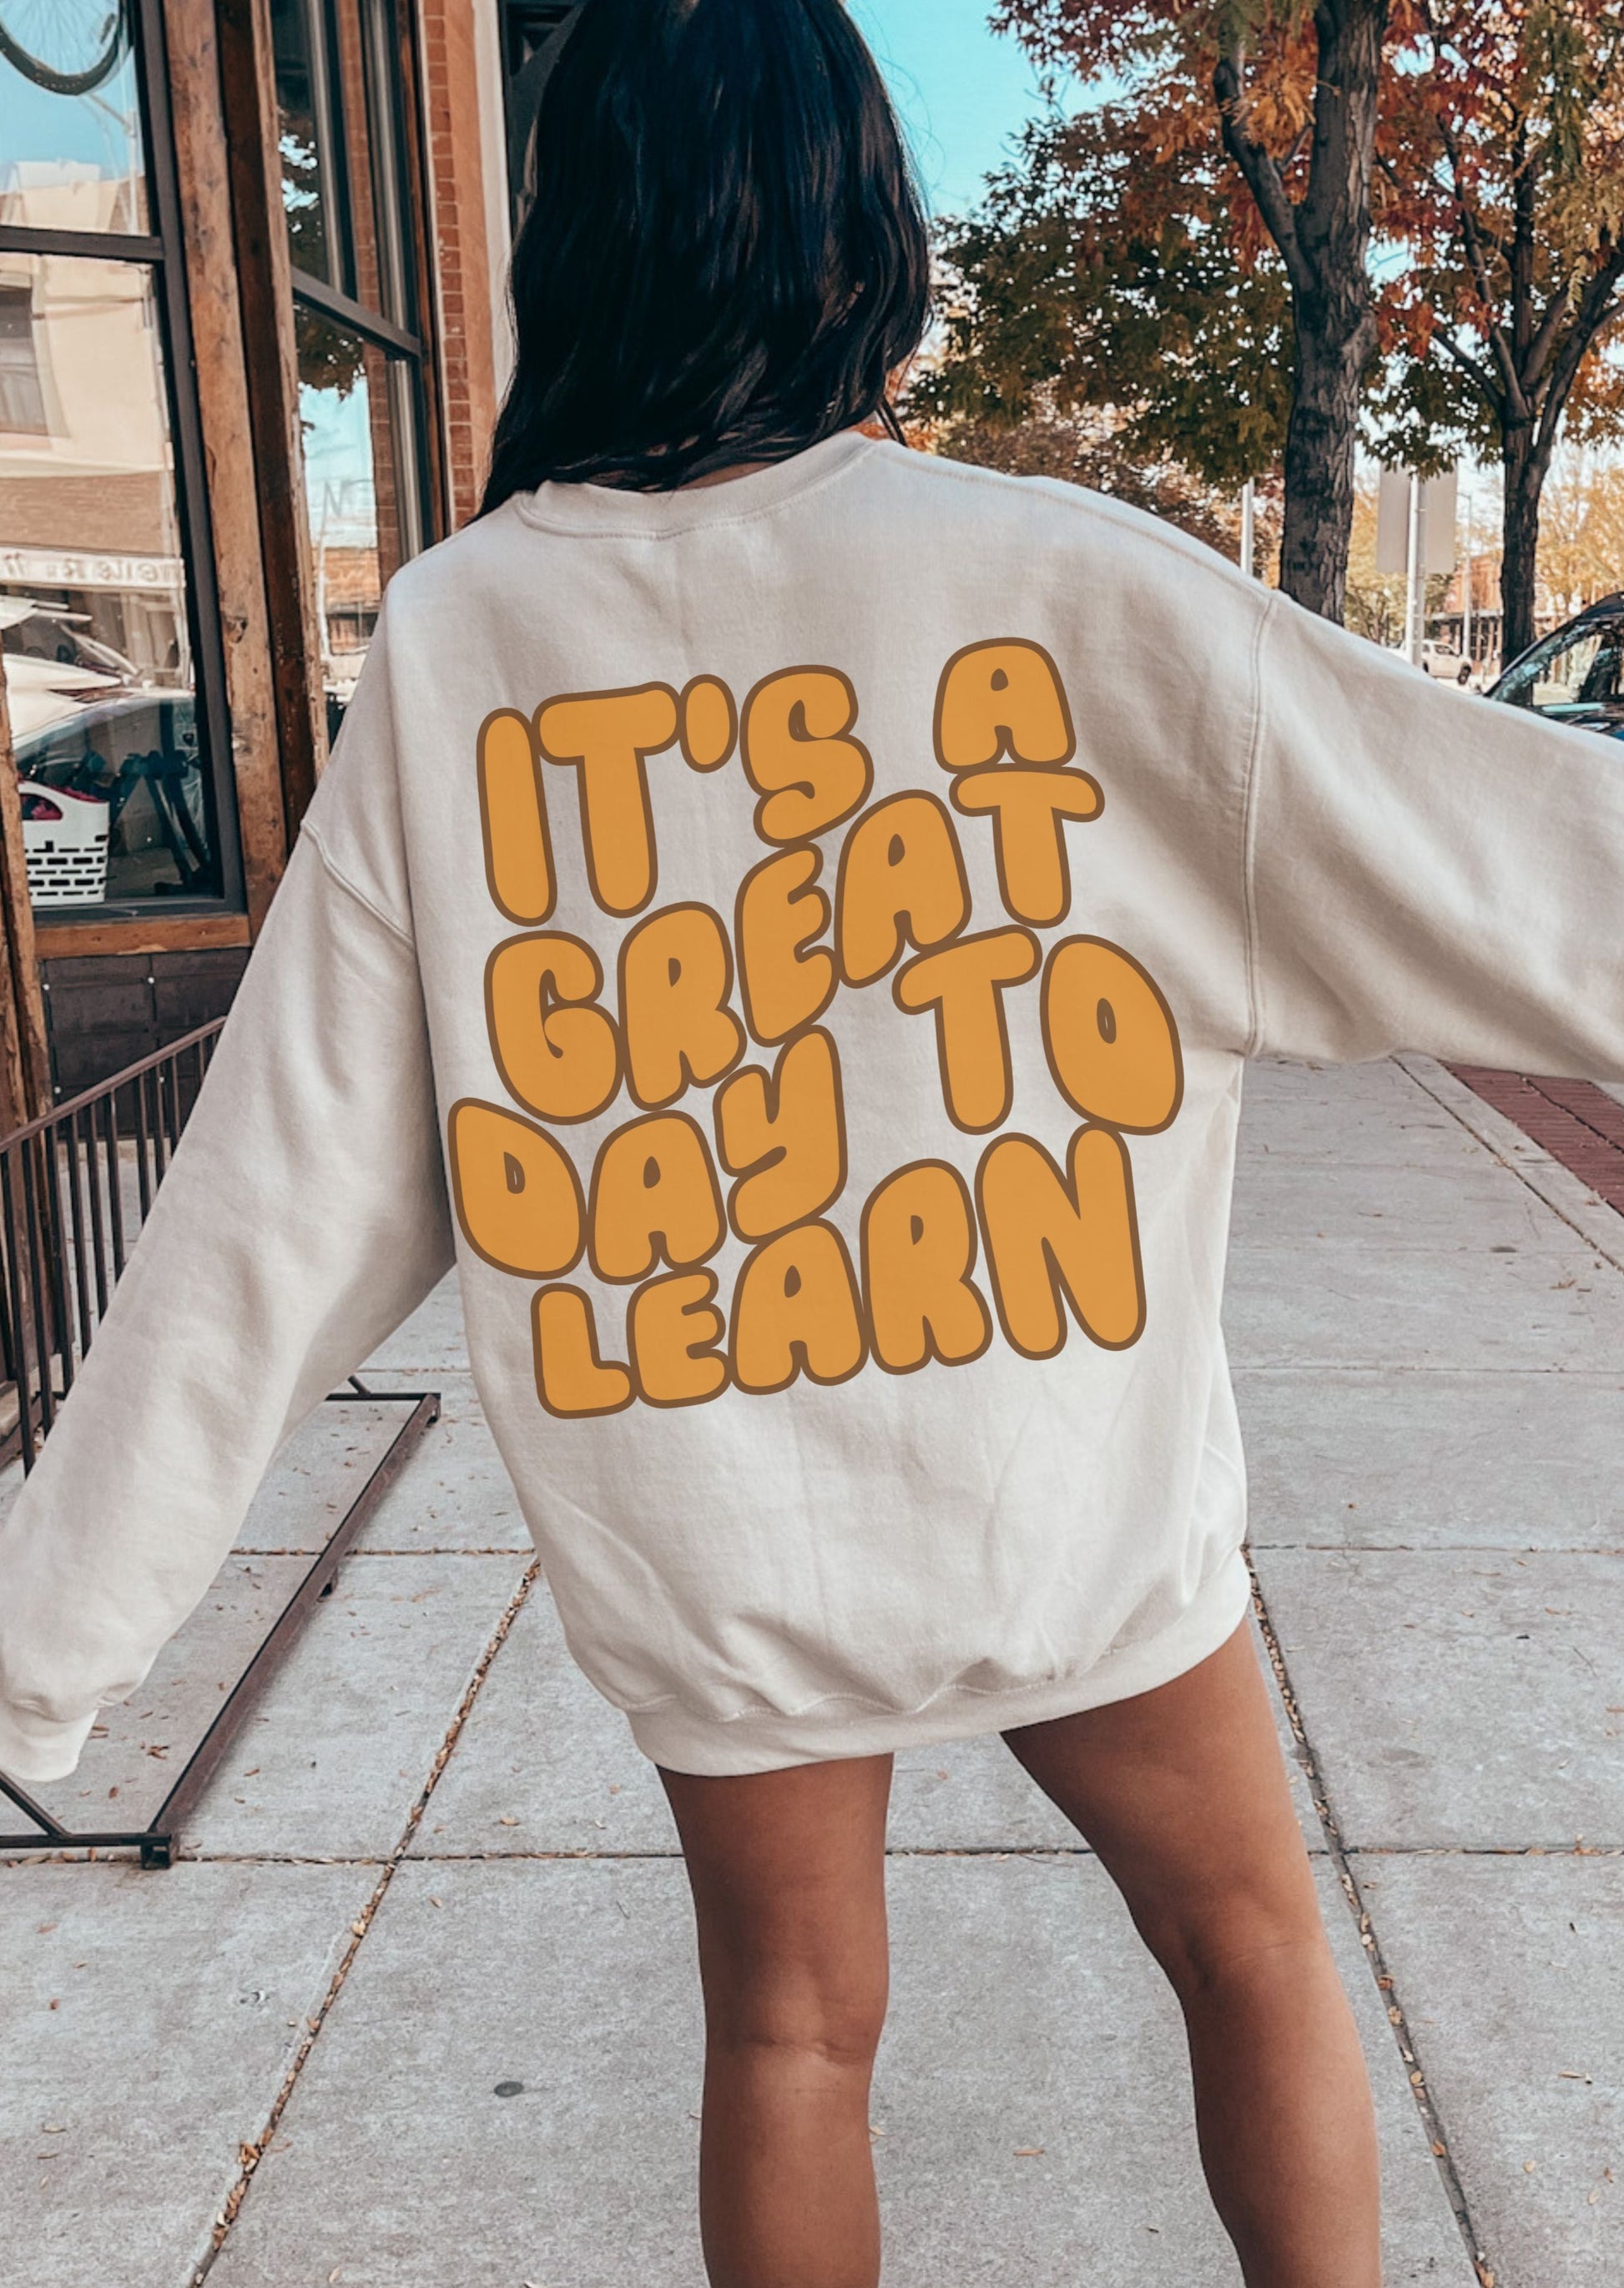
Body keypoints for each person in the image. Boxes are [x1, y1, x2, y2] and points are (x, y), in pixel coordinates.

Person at [3, 2, 1622, 2280]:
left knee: (786, 2028)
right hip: (1058, 1492)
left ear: (573, 240)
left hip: (714, 1519)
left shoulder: (463, 634)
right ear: (865, 226)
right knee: (1247, 1942)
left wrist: (48, 1635)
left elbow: (273, 1199)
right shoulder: (1058, 574)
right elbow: (1492, 847)